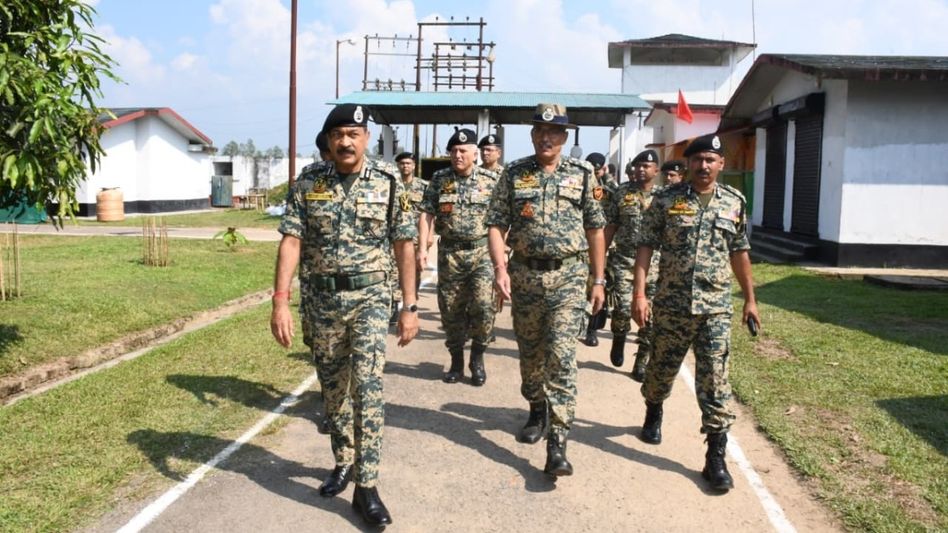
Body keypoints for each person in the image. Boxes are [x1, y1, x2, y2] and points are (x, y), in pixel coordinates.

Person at [270, 103, 419, 527]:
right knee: (333, 389)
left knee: (368, 388)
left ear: (366, 138)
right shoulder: (309, 182)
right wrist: (280, 300)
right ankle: (343, 460)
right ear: (329, 141)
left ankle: (366, 486)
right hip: (322, 303)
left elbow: (404, 243)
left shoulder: (388, 180)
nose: (346, 142)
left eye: (353, 134)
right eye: (338, 135)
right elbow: (291, 241)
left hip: (371, 298)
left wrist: (409, 306)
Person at [632, 133, 760, 493]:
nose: (704, 166)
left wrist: (750, 299)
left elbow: (740, 252)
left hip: (715, 308)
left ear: (721, 164)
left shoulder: (734, 202)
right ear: (688, 163)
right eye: (698, 159)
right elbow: (645, 247)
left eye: (710, 160)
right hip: (671, 305)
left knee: (716, 380)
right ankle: (654, 407)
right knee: (660, 369)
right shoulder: (665, 200)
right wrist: (639, 294)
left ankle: (715, 457)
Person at [487, 103, 607, 477]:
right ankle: (536, 408)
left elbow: (595, 229)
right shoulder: (514, 173)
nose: (546, 137)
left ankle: (558, 442)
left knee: (561, 356)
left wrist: (598, 280)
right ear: (532, 135)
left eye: (554, 131)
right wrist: (500, 268)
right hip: (525, 278)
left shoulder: (583, 174)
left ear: (564, 136)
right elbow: (496, 224)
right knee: (531, 356)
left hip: (569, 278)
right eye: (540, 130)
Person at [418, 129, 498, 386]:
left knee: (483, 307)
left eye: (463, 151)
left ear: (475, 154)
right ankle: (456, 361)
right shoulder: (440, 179)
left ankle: (477, 357)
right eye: (453, 151)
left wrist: (503, 253)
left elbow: (502, 217)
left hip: (481, 253)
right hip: (450, 255)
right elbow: (427, 213)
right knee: (451, 310)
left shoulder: (491, 180)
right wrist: (422, 248)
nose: (458, 155)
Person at [604, 149, 661, 381]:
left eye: (646, 166)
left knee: (651, 316)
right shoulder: (621, 193)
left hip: (655, 266)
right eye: (637, 166)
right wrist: (599, 260)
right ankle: (619, 335)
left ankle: (642, 360)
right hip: (624, 261)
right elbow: (610, 226)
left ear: (656, 170)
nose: (641, 170)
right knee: (623, 308)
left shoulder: (664, 197)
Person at [388, 152, 431, 325]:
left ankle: (410, 302)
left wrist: (427, 237)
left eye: (408, 163)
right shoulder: (391, 183)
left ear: (414, 166)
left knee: (413, 272)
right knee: (392, 271)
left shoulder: (423, 186)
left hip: (414, 237)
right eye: (402, 163)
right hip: (394, 236)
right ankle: (393, 305)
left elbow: (428, 213)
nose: (405, 166)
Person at [579, 151, 612, 347]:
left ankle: (592, 329)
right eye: (591, 170)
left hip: (601, 245)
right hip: (579, 244)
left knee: (596, 285)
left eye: (597, 170)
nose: (594, 173)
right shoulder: (577, 184)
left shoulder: (610, 189)